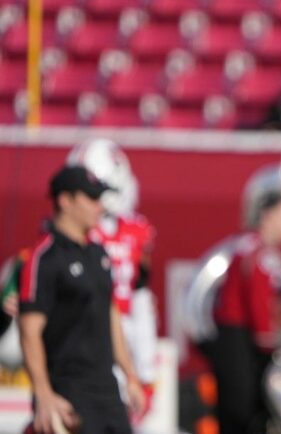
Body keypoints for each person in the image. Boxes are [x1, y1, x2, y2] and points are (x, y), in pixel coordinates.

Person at [18, 165, 145, 434]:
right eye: (91, 199)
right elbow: (29, 330)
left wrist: (130, 376)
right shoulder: (45, 258)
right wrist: (43, 395)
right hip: (69, 390)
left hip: (107, 390)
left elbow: (111, 316)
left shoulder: (98, 254)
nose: (99, 207)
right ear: (65, 201)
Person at [200, 163, 281, 434]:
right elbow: (263, 328)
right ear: (269, 213)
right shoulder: (257, 255)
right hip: (244, 357)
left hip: (241, 352)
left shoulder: (255, 251)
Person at [67, 138, 159, 423]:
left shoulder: (135, 231)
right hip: (83, 340)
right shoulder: (74, 235)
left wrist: (145, 368)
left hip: (123, 337)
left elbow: (140, 296)